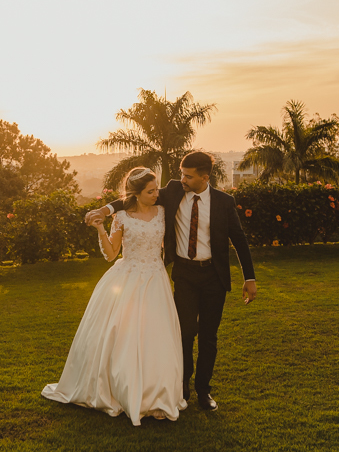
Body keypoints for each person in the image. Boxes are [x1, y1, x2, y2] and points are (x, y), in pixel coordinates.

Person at [84, 151, 256, 411]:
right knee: (184, 332)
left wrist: (249, 277)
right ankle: (182, 387)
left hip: (214, 277)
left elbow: (239, 239)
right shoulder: (174, 191)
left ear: (204, 177)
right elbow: (132, 198)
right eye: (181, 173)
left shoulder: (223, 202)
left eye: (188, 176)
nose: (182, 179)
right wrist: (105, 209)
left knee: (209, 336)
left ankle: (203, 391)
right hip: (184, 275)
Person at [42, 167, 187, 425]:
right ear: (136, 193)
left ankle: (157, 394)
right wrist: (100, 228)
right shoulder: (122, 217)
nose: (157, 195)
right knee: (124, 335)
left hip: (156, 279)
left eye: (156, 189)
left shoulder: (163, 212)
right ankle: (120, 390)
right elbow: (111, 254)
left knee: (157, 335)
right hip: (128, 278)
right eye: (151, 191)